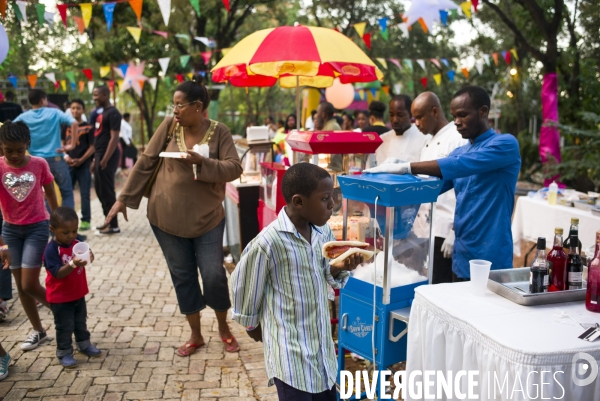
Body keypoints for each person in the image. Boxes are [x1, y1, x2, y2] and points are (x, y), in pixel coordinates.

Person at [106, 76, 243, 356]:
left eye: (180, 105)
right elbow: (146, 161)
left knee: (214, 274)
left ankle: (224, 328)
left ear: (198, 106)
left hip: (207, 219)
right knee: (183, 275)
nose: (175, 111)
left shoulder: (220, 132)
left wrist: (202, 162)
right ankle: (196, 335)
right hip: (165, 218)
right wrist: (122, 200)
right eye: (174, 105)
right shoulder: (169, 127)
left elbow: (233, 168)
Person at [231, 163, 363, 401]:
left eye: (332, 197)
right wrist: (252, 325)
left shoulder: (323, 233)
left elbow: (324, 272)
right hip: (290, 357)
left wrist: (341, 266)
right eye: (325, 199)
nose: (332, 205)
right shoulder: (268, 243)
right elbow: (244, 288)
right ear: (298, 201)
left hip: (322, 352)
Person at [365, 86, 521, 281]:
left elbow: (461, 165)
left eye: (463, 115)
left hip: (491, 252)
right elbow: (429, 188)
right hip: (462, 252)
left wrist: (408, 167)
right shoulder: (460, 151)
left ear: (483, 112)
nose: (456, 122)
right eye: (454, 116)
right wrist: (381, 188)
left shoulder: (504, 144)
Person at [0, 122, 58, 350]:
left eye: (19, 150)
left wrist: (56, 220)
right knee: (21, 286)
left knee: (29, 284)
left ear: (28, 145)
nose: (14, 155)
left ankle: (64, 312)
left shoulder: (39, 164)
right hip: (10, 231)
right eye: (8, 150)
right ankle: (39, 331)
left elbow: (51, 192)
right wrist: (1, 243)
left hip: (37, 227)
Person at [411, 92, 467, 284]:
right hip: (426, 226)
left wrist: (455, 230)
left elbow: (464, 188)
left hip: (446, 227)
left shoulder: (457, 138)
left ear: (434, 111)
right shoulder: (428, 141)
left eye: (419, 117)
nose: (416, 123)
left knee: (441, 283)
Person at [43, 207, 100, 368]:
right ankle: (64, 352)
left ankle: (84, 344)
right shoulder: (51, 250)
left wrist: (90, 255)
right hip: (60, 298)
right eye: (65, 232)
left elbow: (89, 256)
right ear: (52, 230)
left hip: (77, 293)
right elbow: (57, 273)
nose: (71, 236)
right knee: (64, 326)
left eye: (74, 231)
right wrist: (73, 263)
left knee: (80, 321)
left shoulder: (77, 244)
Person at [14, 89, 78, 209]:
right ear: (43, 100)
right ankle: (68, 224)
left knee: (47, 194)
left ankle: (50, 226)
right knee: (67, 192)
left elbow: (10, 129)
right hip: (56, 159)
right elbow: (74, 123)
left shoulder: (24, 117)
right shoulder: (54, 112)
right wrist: (72, 145)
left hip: (36, 162)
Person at [91, 86, 122, 235]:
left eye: (96, 95)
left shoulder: (113, 113)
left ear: (105, 95)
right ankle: (107, 221)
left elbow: (114, 138)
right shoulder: (100, 113)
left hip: (107, 157)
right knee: (99, 190)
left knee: (107, 191)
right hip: (99, 156)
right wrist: (95, 159)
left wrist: (105, 159)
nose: (94, 98)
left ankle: (114, 225)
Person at [64, 99, 94, 231]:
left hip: (84, 165)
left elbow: (93, 147)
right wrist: (67, 157)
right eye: (73, 108)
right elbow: (61, 144)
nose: (75, 110)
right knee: (66, 192)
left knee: (85, 193)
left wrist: (81, 159)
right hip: (68, 164)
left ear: (83, 110)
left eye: (78, 108)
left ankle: (86, 220)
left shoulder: (88, 127)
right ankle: (66, 221)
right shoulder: (66, 127)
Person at [375, 95, 430, 165]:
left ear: (410, 115)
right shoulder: (382, 139)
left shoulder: (425, 139)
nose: (395, 120)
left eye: (400, 115)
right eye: (391, 115)